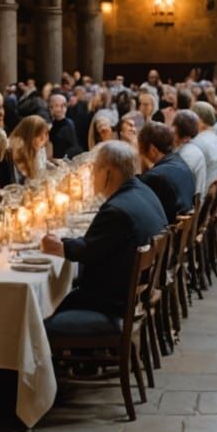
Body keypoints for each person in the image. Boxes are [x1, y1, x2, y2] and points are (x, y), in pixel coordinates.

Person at [40, 140, 168, 339]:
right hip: (131, 294)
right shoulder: (143, 191)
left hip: (111, 302)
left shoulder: (116, 210)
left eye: (94, 170)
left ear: (108, 172)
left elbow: (88, 251)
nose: (91, 177)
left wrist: (60, 246)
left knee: (37, 326)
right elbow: (100, 244)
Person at [139, 120, 196, 219]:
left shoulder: (154, 177)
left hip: (171, 229)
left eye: (140, 148)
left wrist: (141, 162)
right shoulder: (179, 160)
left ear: (152, 150)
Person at [9, 115, 50, 183]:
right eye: (39, 135)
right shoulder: (17, 149)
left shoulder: (37, 148)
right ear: (29, 135)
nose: (44, 138)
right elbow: (25, 180)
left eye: (45, 134)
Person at [47, 93, 80, 159]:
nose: (61, 108)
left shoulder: (68, 124)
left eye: (64, 105)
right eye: (56, 105)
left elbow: (73, 147)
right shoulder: (52, 124)